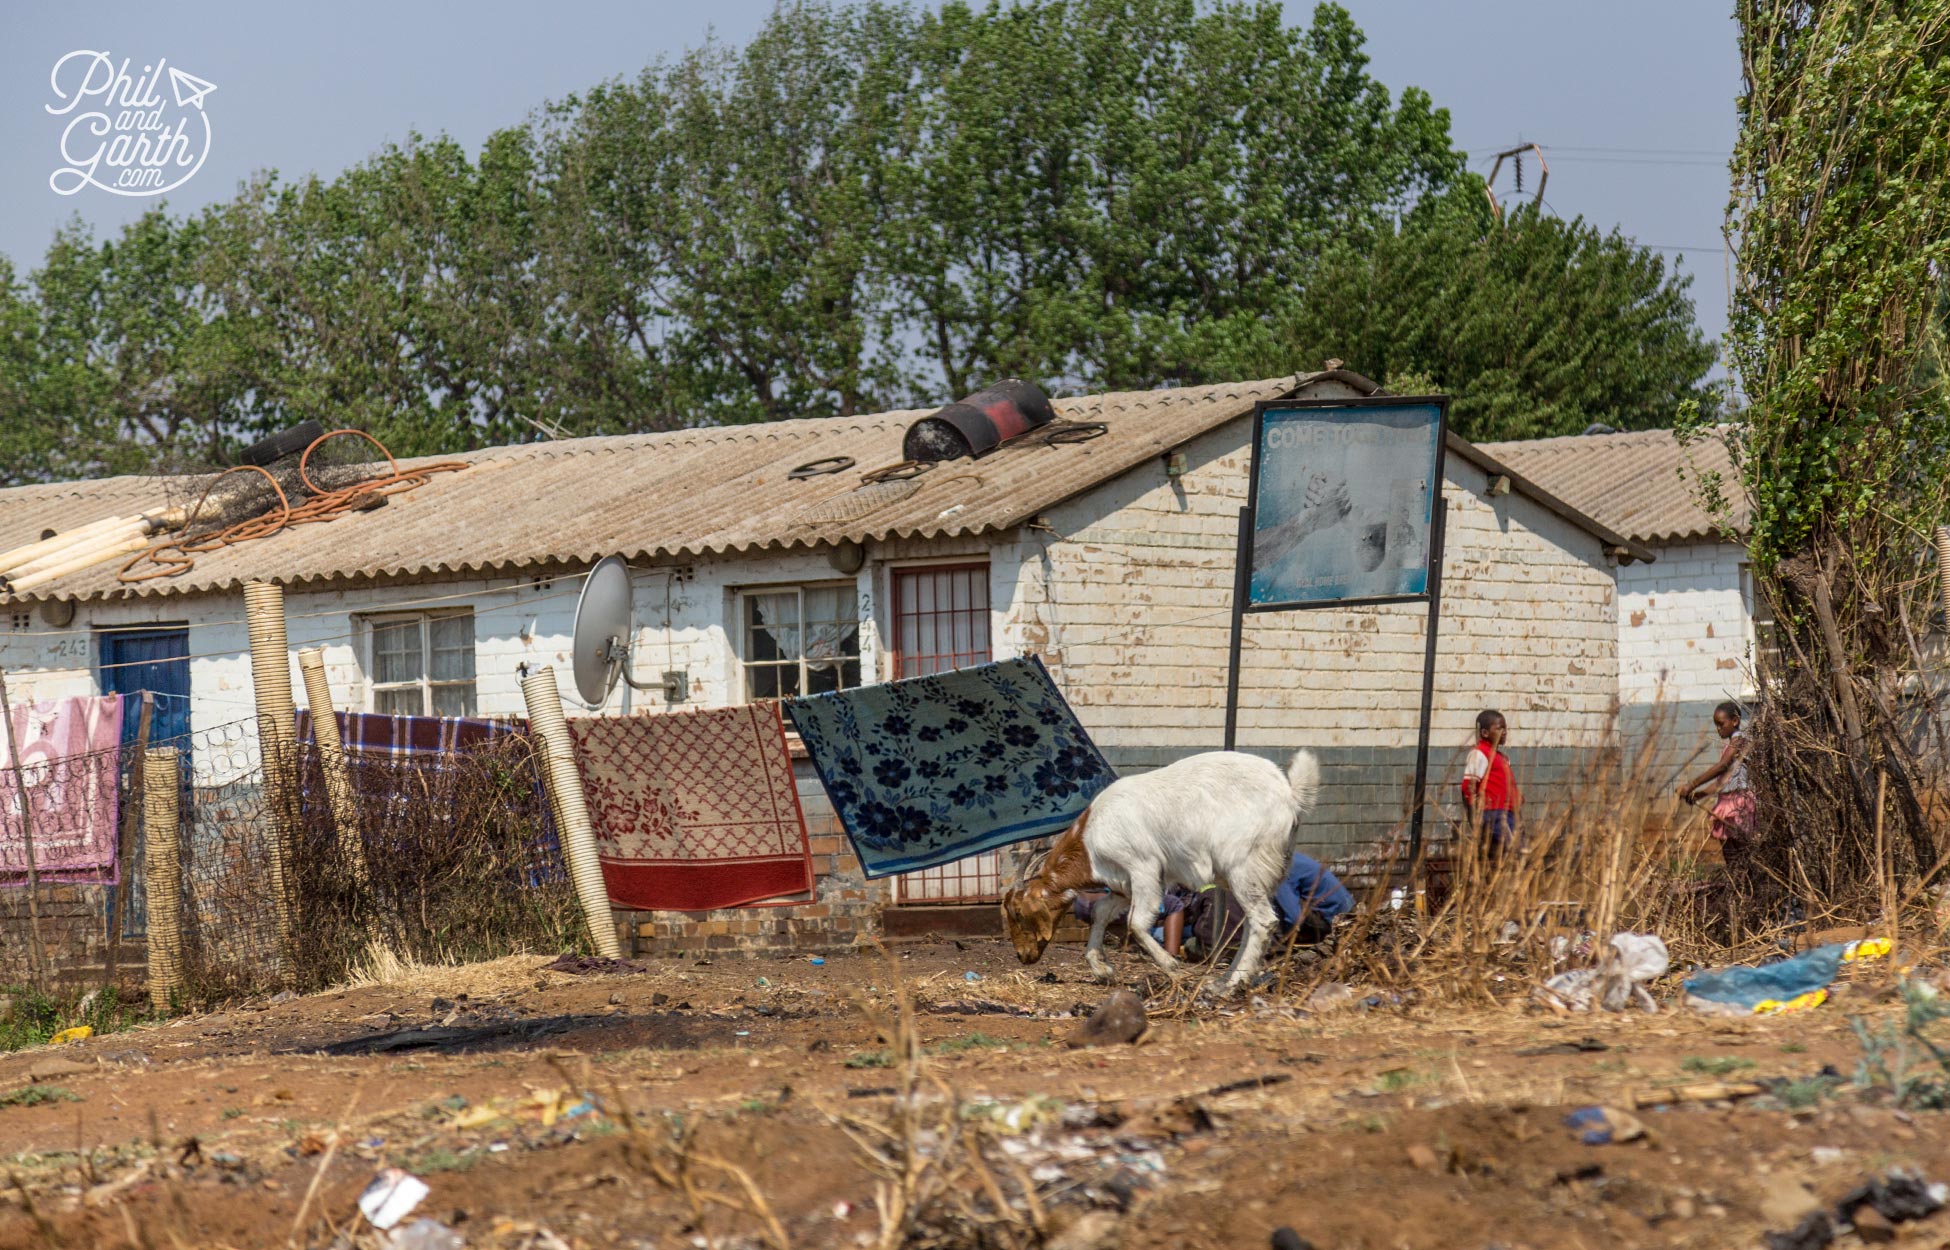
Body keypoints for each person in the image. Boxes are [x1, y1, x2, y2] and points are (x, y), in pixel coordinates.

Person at [1183, 851, 1354, 955]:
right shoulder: (1284, 857)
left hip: (1333, 919)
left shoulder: (1275, 866)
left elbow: (1294, 918)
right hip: (1339, 911)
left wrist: (1278, 943)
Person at [1680, 701, 1753, 858]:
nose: (1718, 729)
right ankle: (1737, 882)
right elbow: (1722, 782)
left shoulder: (1740, 741)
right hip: (1726, 802)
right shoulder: (1728, 747)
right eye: (1716, 725)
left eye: (1721, 724)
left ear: (1735, 721)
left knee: (1742, 852)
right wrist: (1700, 794)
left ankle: (1745, 881)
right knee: (1730, 855)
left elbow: (1722, 766)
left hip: (1739, 803)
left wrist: (1692, 784)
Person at [1071, 884, 1194, 957]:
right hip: (1110, 901)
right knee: (1174, 905)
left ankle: (1108, 944)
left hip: (1084, 900)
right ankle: (1171, 956)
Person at [1460, 710, 1522, 853]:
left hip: (1509, 813)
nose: (1504, 732)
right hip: (1494, 814)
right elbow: (1468, 787)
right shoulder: (1480, 754)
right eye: (1499, 728)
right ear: (1485, 733)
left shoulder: (1502, 757)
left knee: (1515, 852)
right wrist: (1475, 812)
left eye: (1505, 728)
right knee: (1515, 851)